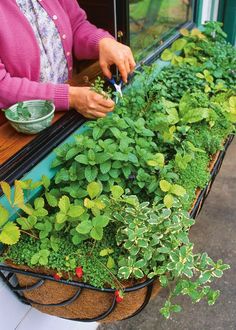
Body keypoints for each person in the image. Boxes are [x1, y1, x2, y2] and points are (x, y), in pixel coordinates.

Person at [0, 0, 136, 121]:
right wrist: (69, 97)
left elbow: (76, 25)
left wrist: (102, 42)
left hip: (67, 110)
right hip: (17, 126)